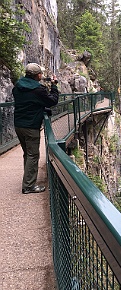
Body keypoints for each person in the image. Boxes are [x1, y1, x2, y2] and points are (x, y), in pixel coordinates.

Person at [13, 63, 59, 194]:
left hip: (18, 125)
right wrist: (54, 86)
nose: (42, 75)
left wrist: (40, 107)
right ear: (37, 75)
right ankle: (28, 186)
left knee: (27, 153)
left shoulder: (17, 86)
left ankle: (28, 179)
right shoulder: (38, 89)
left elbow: (29, 102)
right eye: (41, 74)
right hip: (31, 126)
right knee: (33, 155)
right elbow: (52, 101)